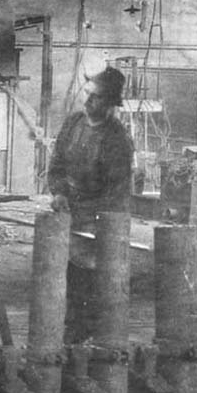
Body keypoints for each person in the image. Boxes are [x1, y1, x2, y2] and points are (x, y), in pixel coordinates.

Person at [47, 66, 133, 343]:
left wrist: (94, 223)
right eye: (87, 95)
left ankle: (85, 336)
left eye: (96, 97)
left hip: (98, 218)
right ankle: (71, 331)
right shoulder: (73, 123)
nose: (88, 101)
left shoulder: (117, 139)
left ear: (110, 103)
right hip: (69, 211)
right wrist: (59, 193)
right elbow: (57, 166)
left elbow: (116, 192)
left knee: (88, 278)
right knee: (66, 274)